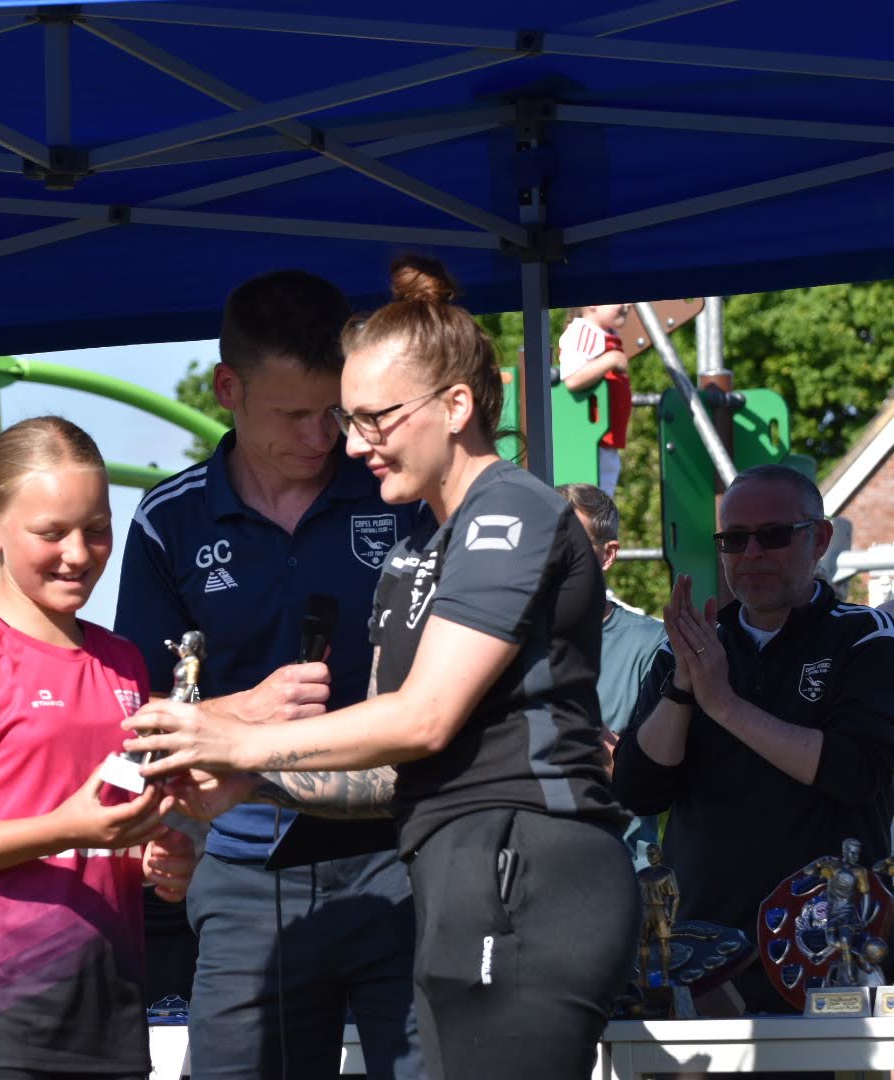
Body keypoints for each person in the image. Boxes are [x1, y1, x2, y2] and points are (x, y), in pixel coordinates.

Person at [125, 257, 639, 1080]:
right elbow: (386, 759)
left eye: (366, 417)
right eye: (336, 416)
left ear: (456, 406)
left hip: (502, 865)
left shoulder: (498, 511)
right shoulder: (421, 536)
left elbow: (421, 719)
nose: (343, 441)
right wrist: (245, 773)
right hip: (425, 865)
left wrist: (235, 741)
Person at [114, 268, 425, 1080]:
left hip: (404, 860)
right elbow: (134, 713)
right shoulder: (169, 520)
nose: (323, 438)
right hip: (247, 867)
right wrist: (241, 713)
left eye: (336, 412)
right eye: (293, 414)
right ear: (229, 389)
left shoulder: (403, 493)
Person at [0, 416, 195, 1080]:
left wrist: (154, 855)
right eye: (51, 533)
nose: (79, 554)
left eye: (97, 529)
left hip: (110, 1007)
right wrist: (64, 828)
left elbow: (105, 831)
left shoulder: (123, 661)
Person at [612, 463, 894, 1014]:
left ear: (820, 539)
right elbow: (638, 792)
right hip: (704, 954)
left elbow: (858, 774)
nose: (752, 553)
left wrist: (725, 705)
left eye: (774, 535)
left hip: (829, 950)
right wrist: (684, 691)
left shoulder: (866, 638)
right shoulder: (690, 647)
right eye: (735, 539)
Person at [558, 482, 666, 867]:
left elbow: (655, 785)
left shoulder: (652, 645)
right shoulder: (504, 640)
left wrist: (581, 729)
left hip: (616, 869)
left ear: (607, 555)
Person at [558, 303, 632, 495]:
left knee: (604, 504)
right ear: (593, 303)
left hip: (605, 442)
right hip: (591, 443)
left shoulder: (606, 334)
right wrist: (611, 359)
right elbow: (572, 379)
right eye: (620, 298)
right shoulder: (584, 332)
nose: (629, 304)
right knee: (592, 504)